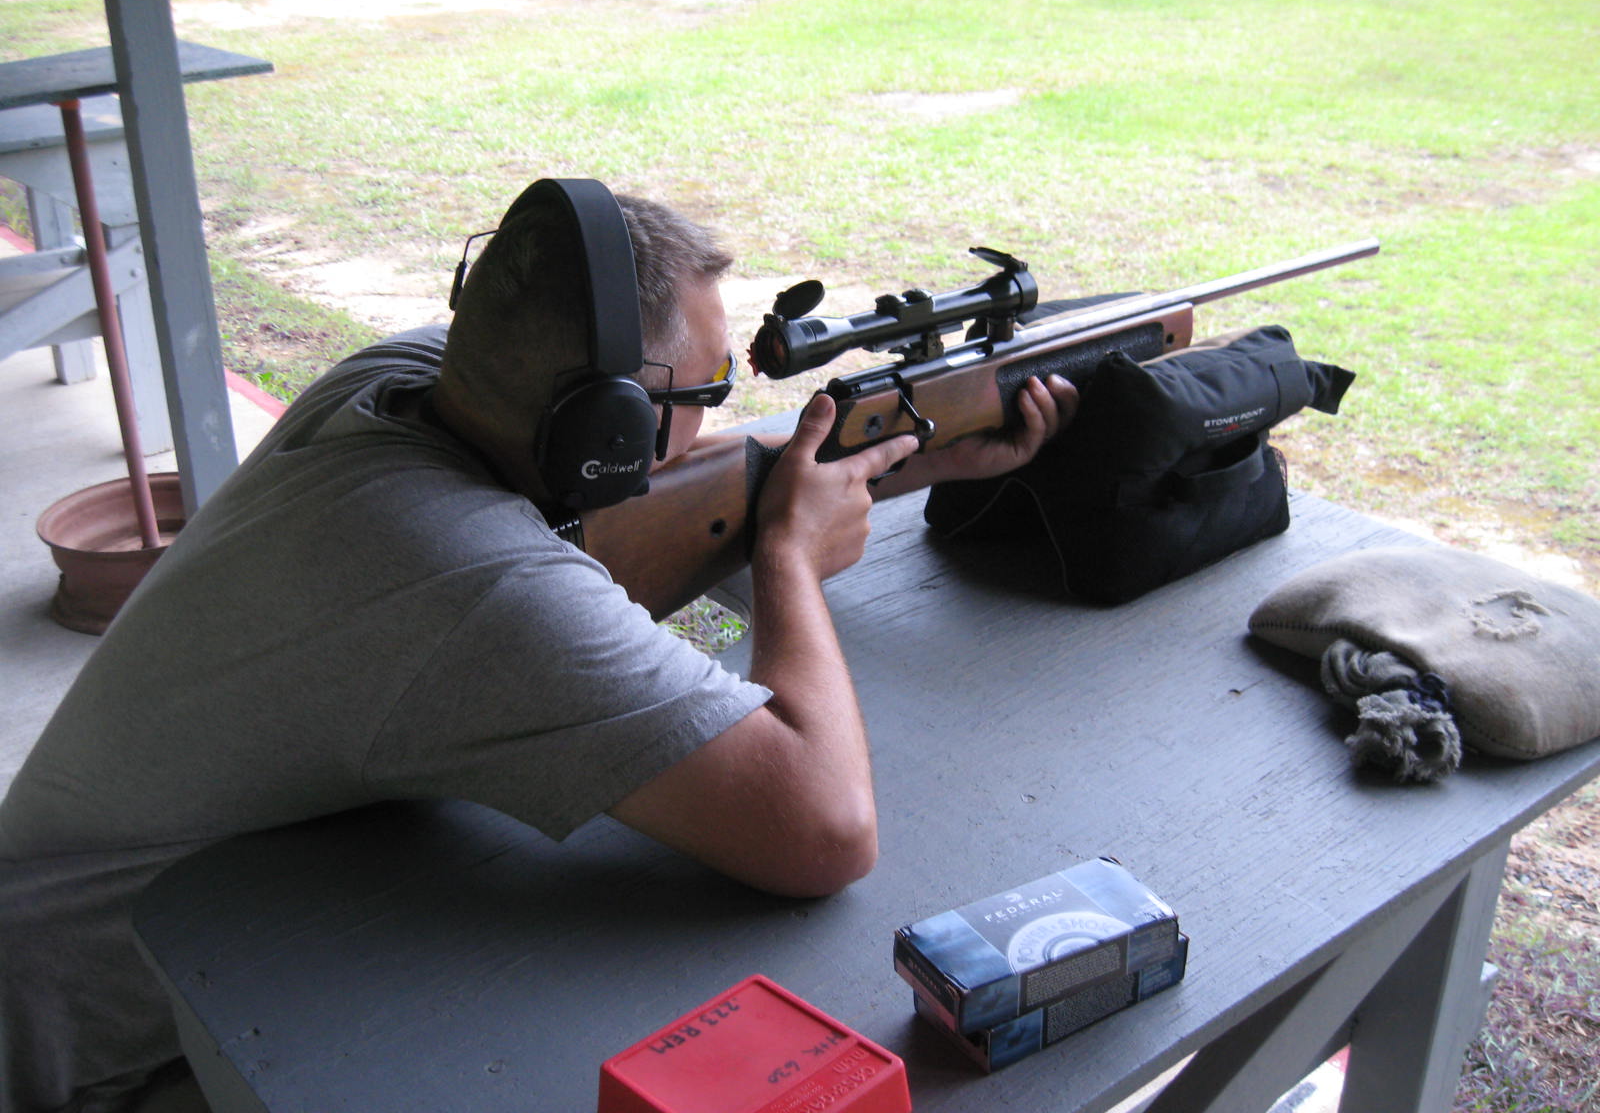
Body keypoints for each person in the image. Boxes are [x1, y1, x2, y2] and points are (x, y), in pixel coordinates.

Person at [0, 180, 1076, 1112]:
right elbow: (823, 832)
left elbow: (625, 526)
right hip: (117, 1045)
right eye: (704, 396)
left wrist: (903, 462)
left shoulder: (404, 380)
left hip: (215, 921)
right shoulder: (458, 579)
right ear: (602, 428)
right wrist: (790, 561)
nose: (714, 422)